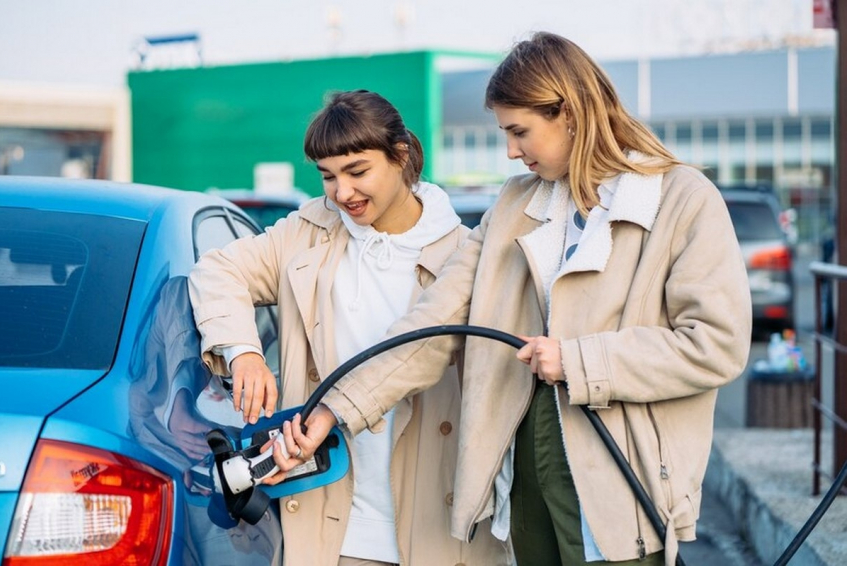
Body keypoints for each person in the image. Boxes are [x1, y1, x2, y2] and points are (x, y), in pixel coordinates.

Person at [275, 32, 753, 566]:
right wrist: (336, 409)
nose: (510, 150)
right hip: (525, 473)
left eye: (519, 131)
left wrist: (578, 360)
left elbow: (716, 344)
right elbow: (433, 323)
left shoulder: (682, 200)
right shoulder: (513, 207)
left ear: (569, 113)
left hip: (622, 480)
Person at [188, 89, 512, 566]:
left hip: (437, 528)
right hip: (329, 526)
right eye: (328, 176)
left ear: (400, 156)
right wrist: (245, 352)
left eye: (358, 172)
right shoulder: (307, 232)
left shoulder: (464, 253)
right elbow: (217, 271)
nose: (342, 193)